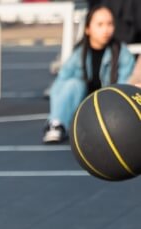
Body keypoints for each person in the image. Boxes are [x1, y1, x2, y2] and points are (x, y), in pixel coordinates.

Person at [43, 5, 137, 144]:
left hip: (109, 107)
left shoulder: (122, 53)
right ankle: (57, 124)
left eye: (110, 24)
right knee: (74, 84)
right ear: (88, 29)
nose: (106, 29)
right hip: (84, 107)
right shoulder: (79, 54)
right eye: (100, 24)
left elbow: (124, 86)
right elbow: (61, 84)